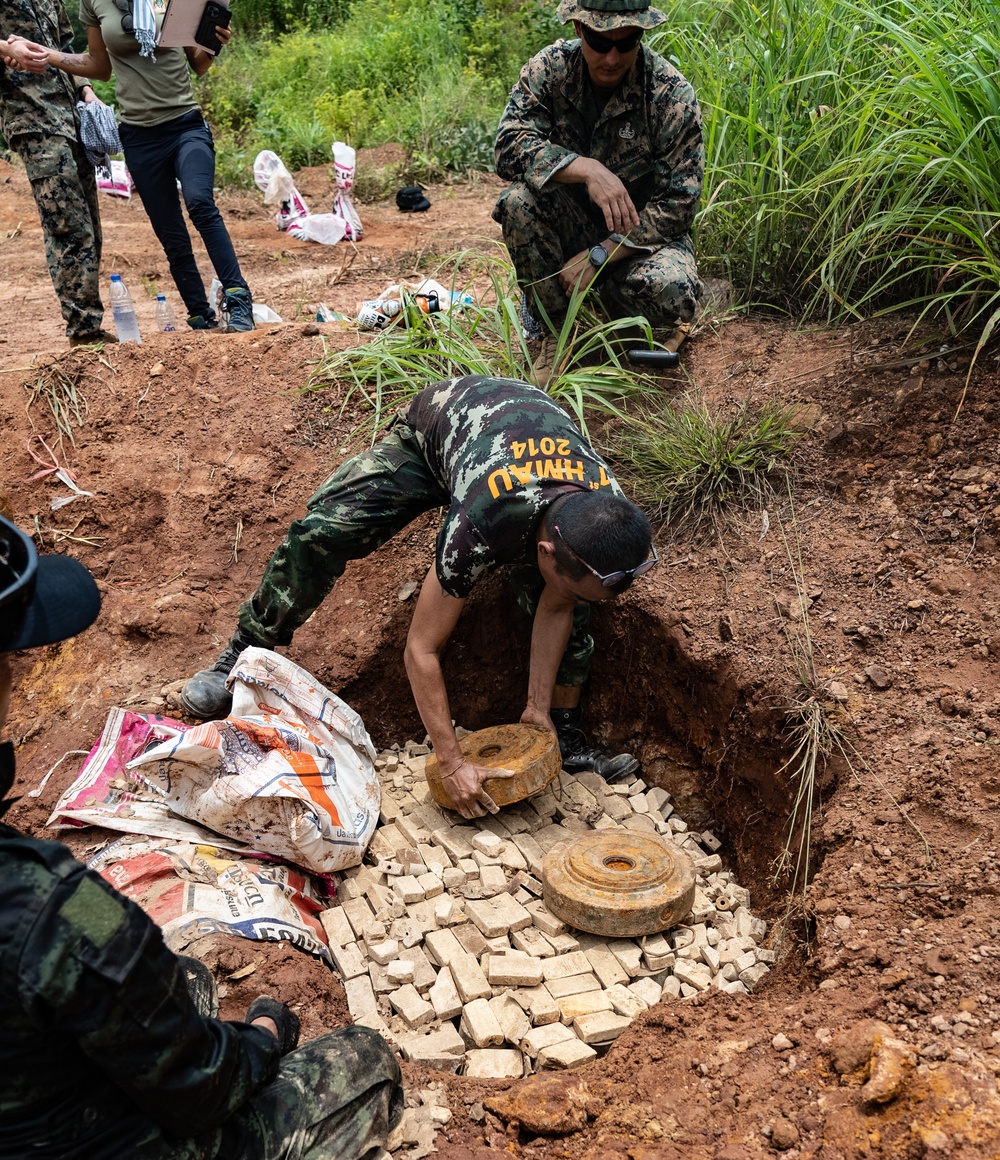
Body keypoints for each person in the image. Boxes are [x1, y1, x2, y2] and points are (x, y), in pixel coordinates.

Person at [0, 514, 403, 1159]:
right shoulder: (43, 903)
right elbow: (206, 1092)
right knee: (366, 1061)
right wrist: (264, 1039)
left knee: (182, 980)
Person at [181, 375, 659, 818]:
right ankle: (243, 651)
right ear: (545, 551)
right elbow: (421, 648)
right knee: (323, 531)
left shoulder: (606, 508)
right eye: (576, 583)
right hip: (439, 430)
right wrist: (451, 763)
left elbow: (560, 602)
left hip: (517, 451)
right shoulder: (480, 522)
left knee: (570, 612)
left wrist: (536, 710)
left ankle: (562, 725)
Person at [493, 0, 704, 387]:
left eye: (627, 44)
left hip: (639, 241)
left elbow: (680, 203)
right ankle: (557, 334)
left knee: (671, 293)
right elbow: (508, 145)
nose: (611, 58)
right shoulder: (549, 69)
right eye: (600, 41)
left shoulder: (670, 93)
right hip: (568, 224)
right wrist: (585, 168)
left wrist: (601, 255)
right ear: (578, 29)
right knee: (517, 204)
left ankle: (612, 316)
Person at [16, 0, 256, 332]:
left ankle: (239, 299)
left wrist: (215, 44)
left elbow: (198, 64)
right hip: (139, 138)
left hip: (185, 125)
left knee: (200, 202)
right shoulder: (95, 2)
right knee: (170, 233)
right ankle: (200, 314)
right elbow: (99, 66)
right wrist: (46, 54)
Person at [0, 4, 111, 345]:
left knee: (90, 225)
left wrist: (86, 91)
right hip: (31, 118)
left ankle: (88, 324)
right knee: (68, 226)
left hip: (71, 118)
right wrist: (6, 47)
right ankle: (84, 332)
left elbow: (64, 45)